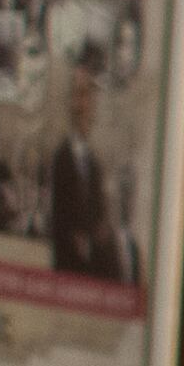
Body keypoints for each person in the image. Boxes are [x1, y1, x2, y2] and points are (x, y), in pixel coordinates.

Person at [44, 71, 111, 278]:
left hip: (93, 263)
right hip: (67, 260)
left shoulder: (94, 164)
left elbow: (99, 208)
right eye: (81, 99)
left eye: (90, 103)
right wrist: (74, 237)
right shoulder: (61, 158)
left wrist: (99, 230)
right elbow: (57, 211)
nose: (86, 112)